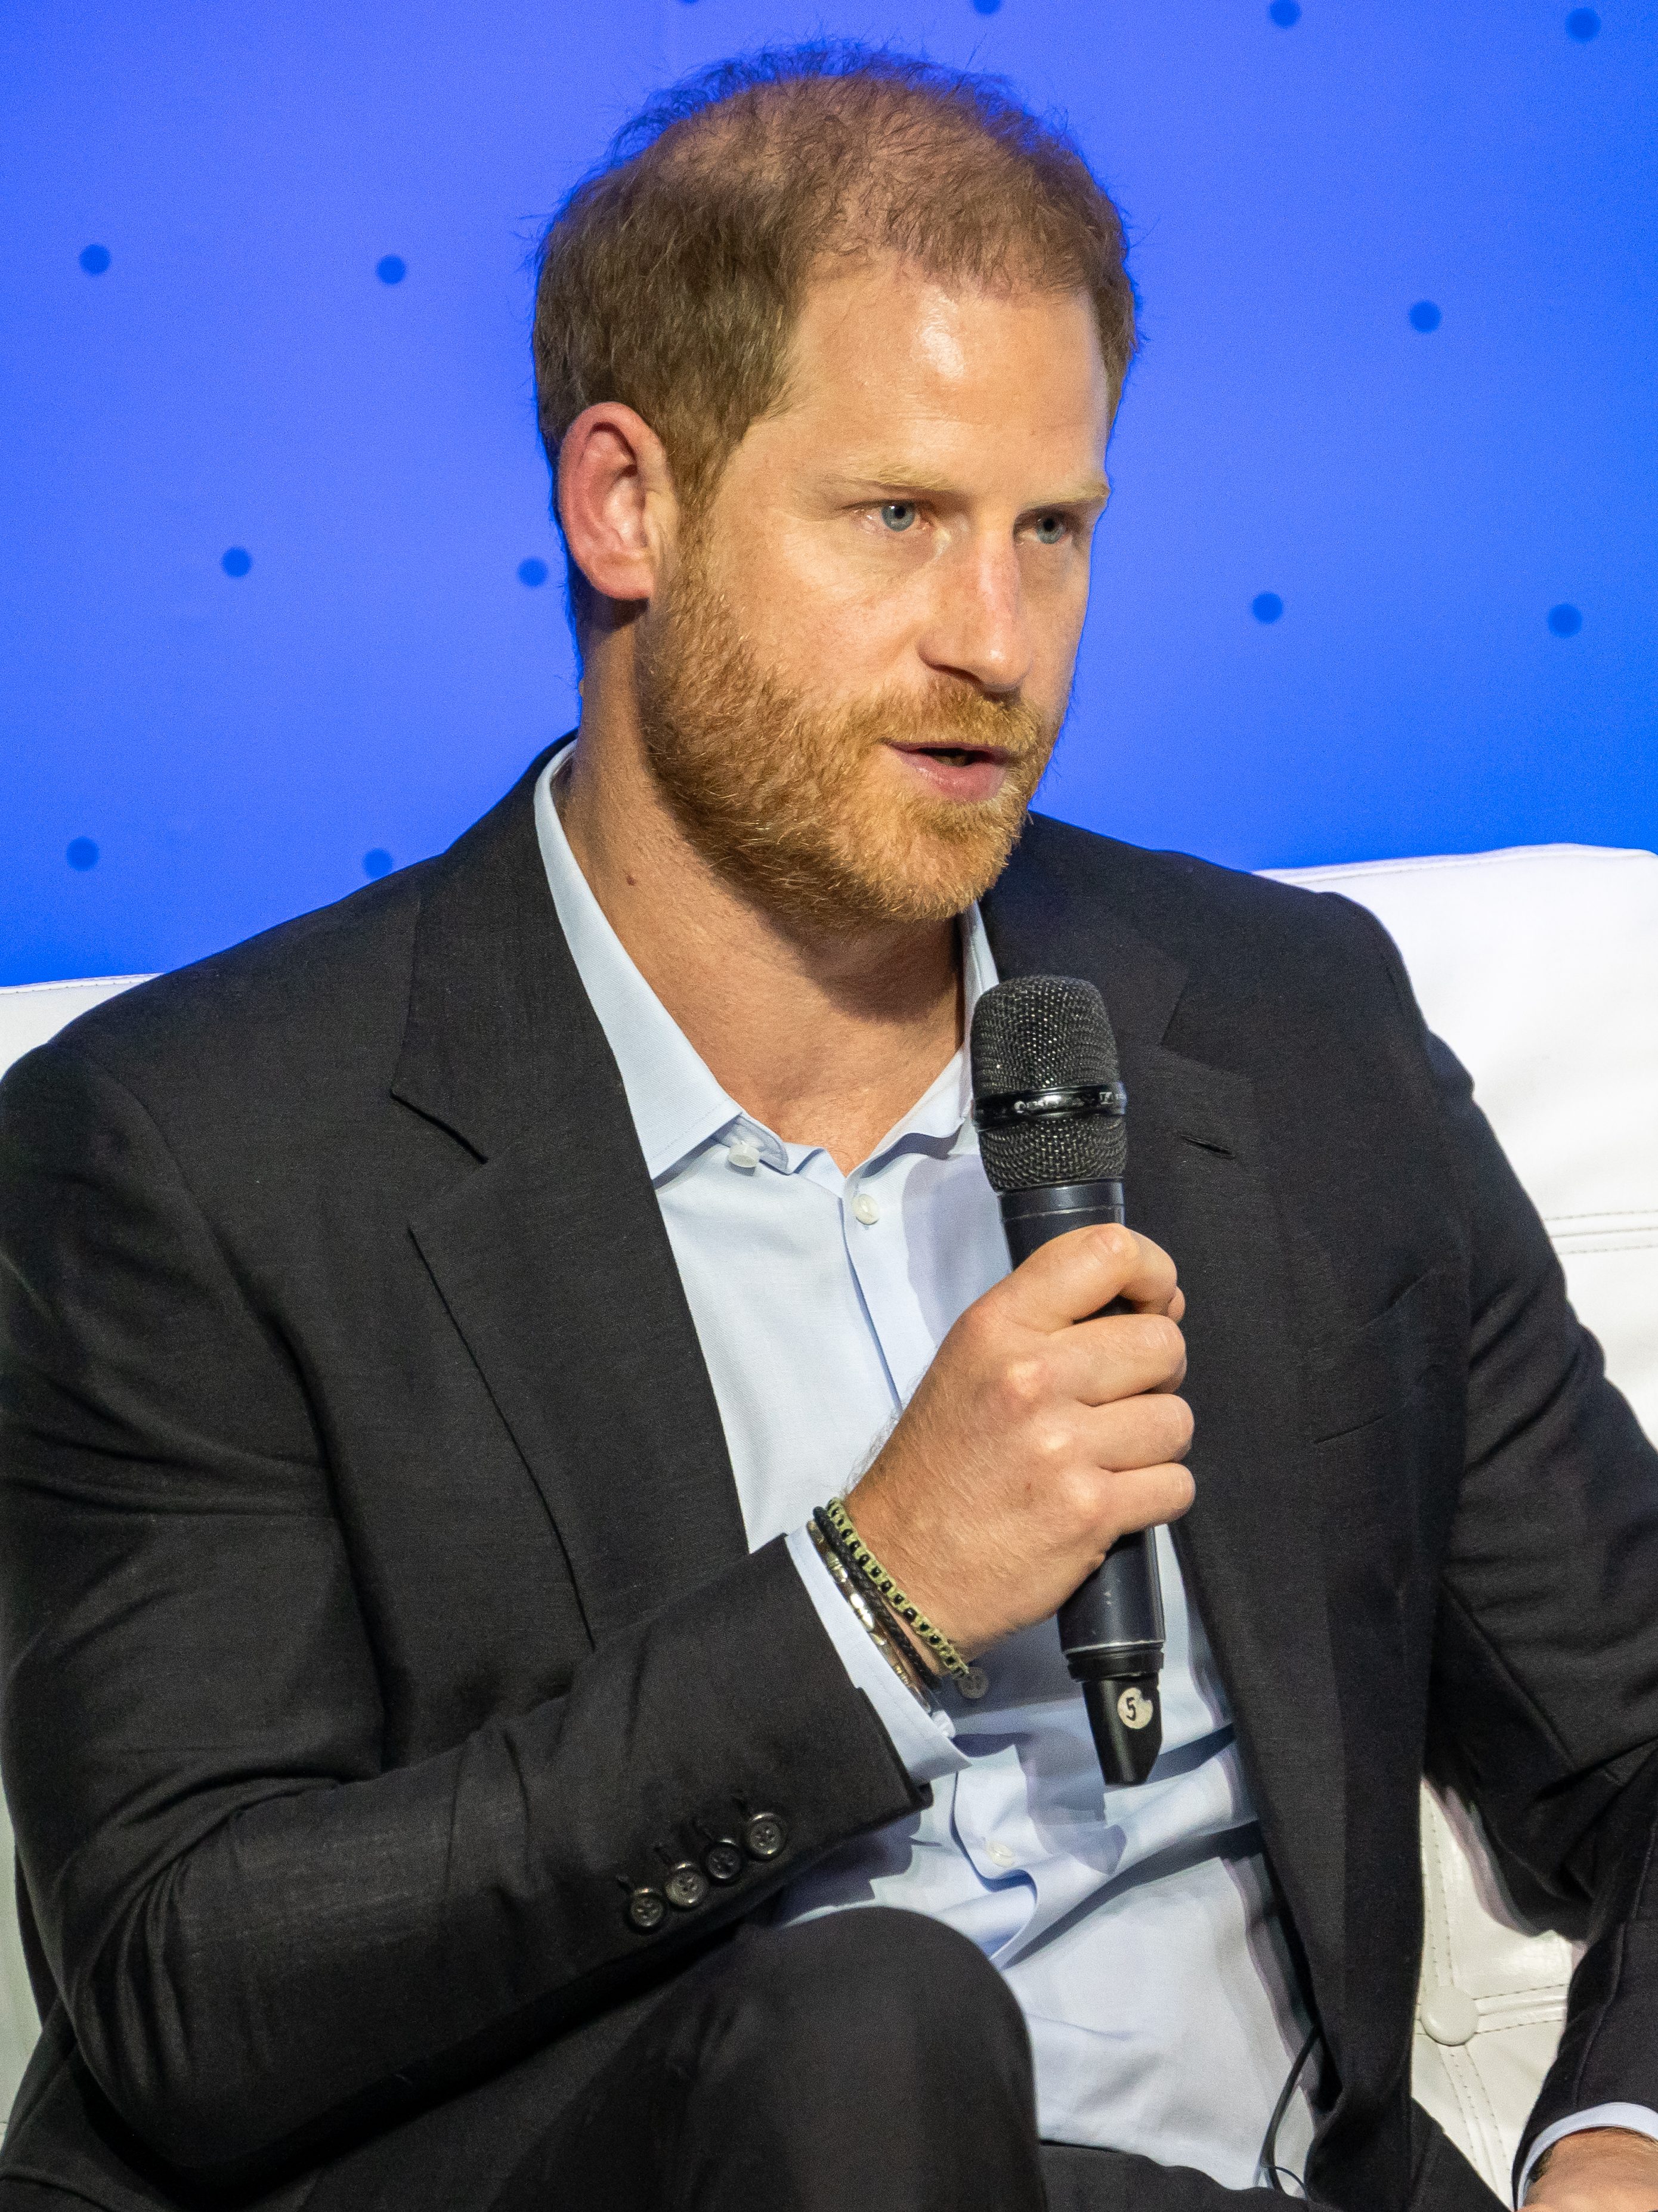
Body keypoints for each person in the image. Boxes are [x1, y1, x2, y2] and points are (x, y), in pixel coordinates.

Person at [1, 45, 1656, 2212]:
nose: (995, 642)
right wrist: (873, 1599)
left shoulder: (1288, 1028)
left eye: (1048, 530)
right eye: (897, 519)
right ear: (628, 504)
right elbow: (186, 1984)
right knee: (872, 2018)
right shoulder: (191, 1151)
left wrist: (1619, 2145)